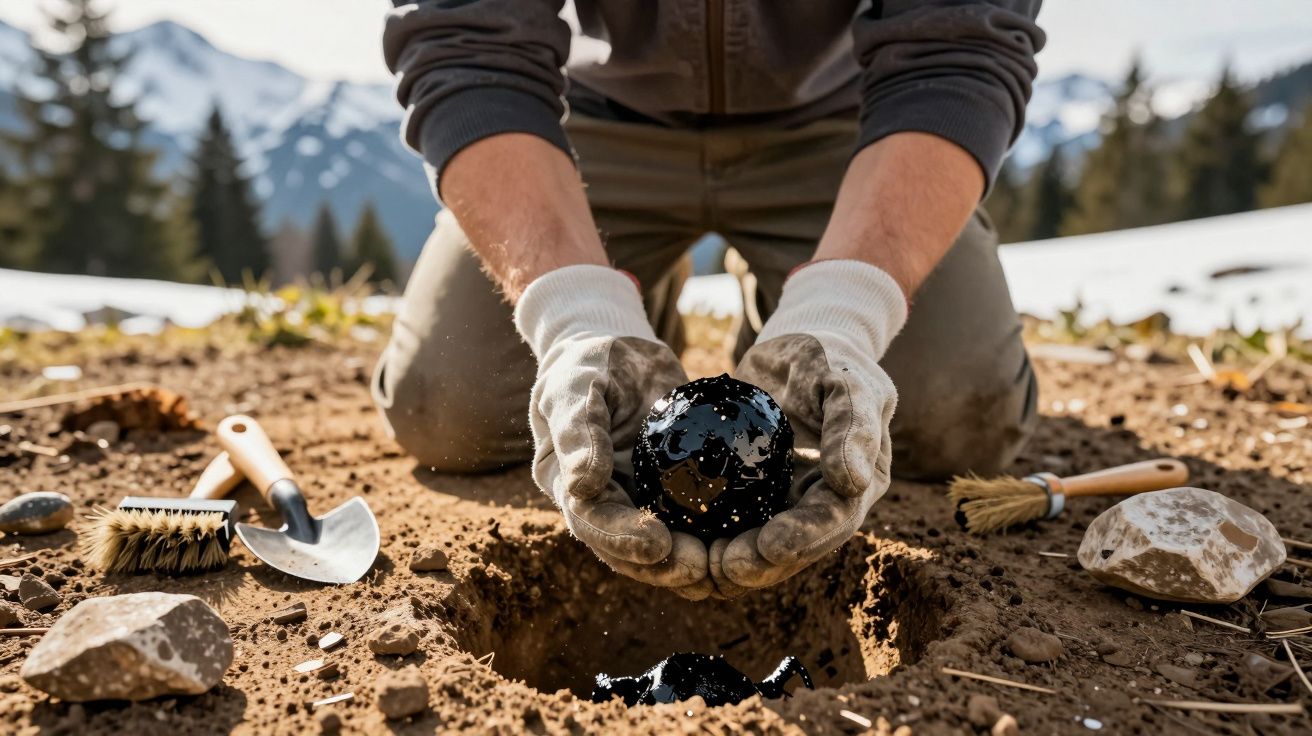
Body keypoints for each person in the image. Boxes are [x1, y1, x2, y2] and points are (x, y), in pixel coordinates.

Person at [374, 1, 1044, 600]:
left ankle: (782, 301)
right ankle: (636, 294)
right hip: (583, 129)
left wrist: (840, 312)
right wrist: (580, 317)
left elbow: (957, 49)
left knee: (958, 411)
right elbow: (469, 45)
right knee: (448, 406)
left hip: (853, 129)